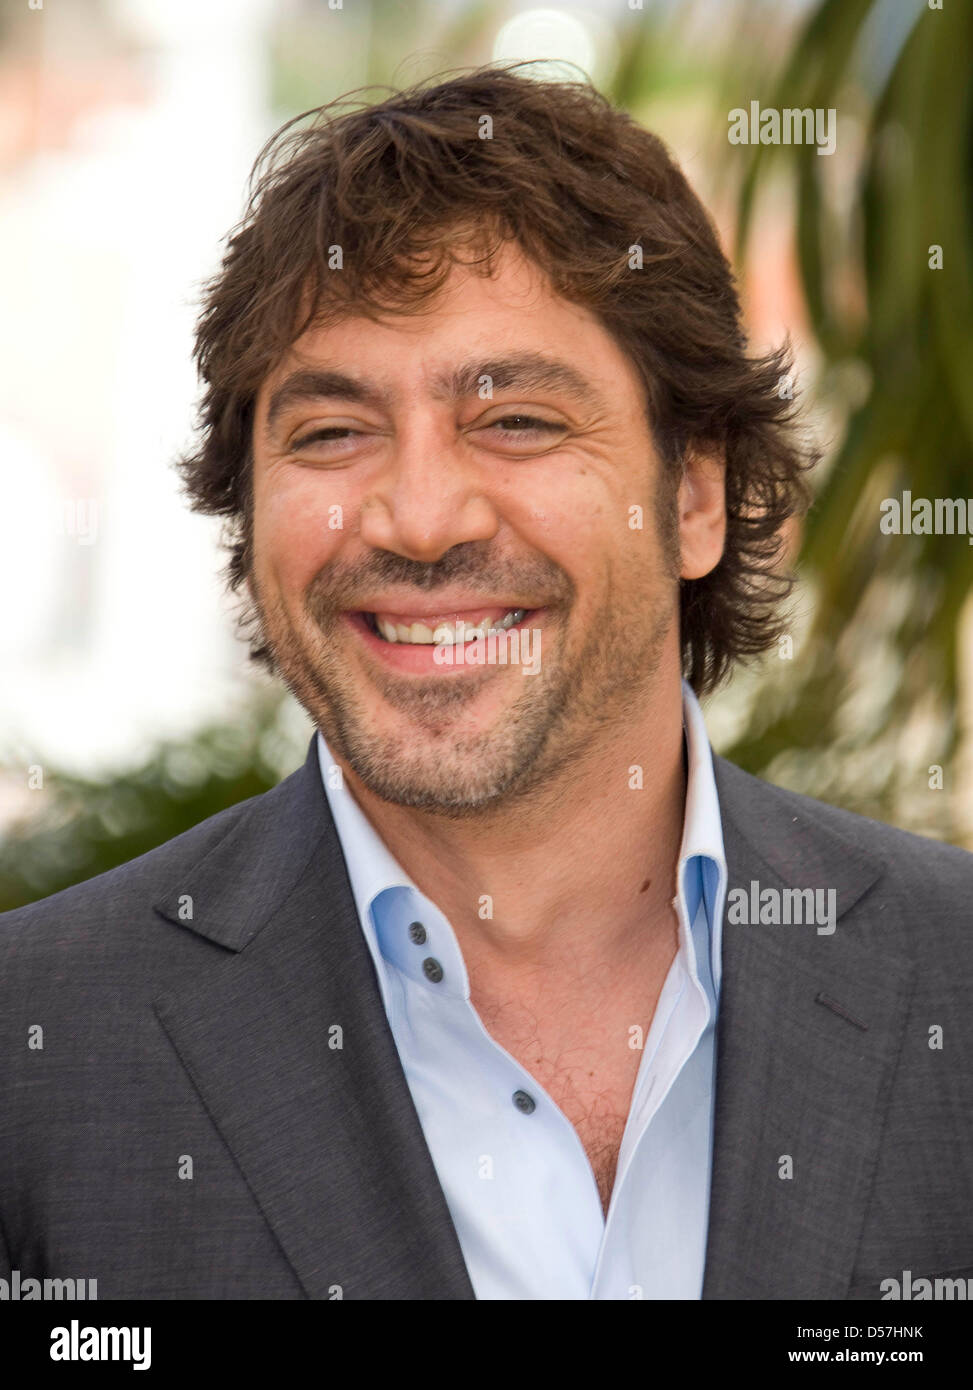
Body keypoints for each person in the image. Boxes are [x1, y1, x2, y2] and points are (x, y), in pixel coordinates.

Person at [2, 67, 971, 1302]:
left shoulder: (951, 979)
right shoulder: (35, 1051)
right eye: (332, 433)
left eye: (515, 420)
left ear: (694, 495)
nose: (418, 518)